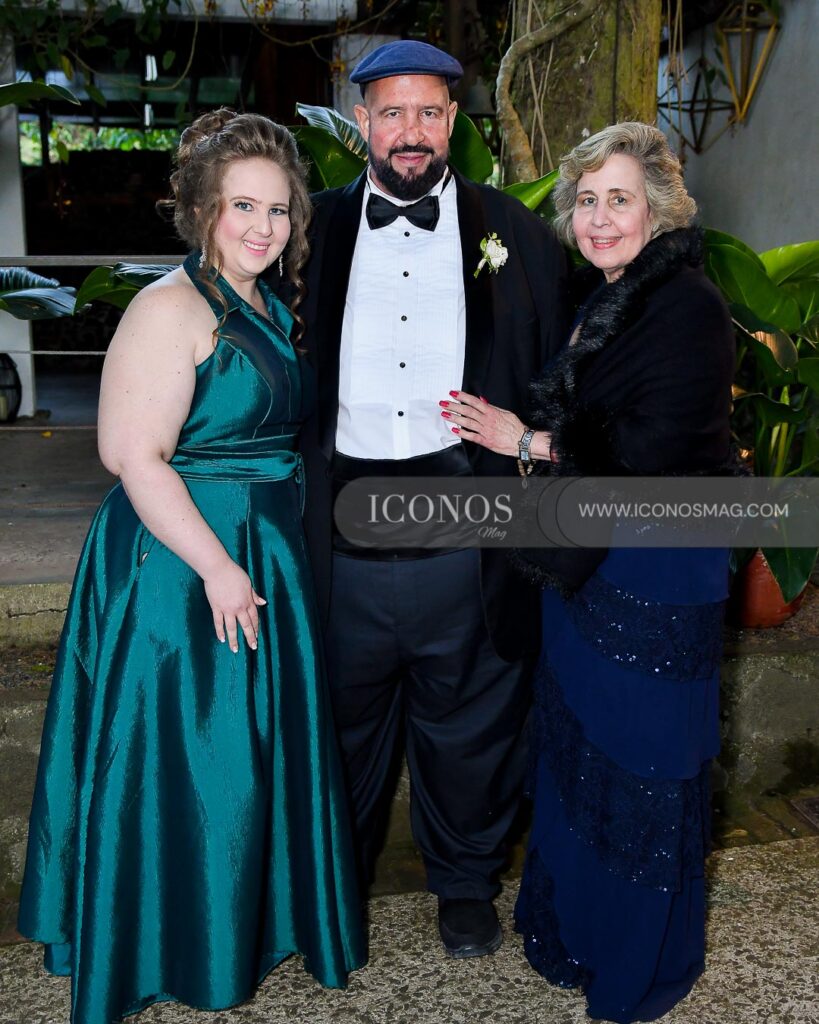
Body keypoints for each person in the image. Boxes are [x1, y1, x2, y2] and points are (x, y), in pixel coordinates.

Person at [17, 109, 365, 1024]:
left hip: (259, 553)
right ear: (203, 209)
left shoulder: (264, 302)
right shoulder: (168, 307)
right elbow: (132, 455)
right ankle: (170, 942)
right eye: (242, 206)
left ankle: (240, 924)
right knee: (191, 758)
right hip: (182, 565)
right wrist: (218, 568)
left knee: (244, 757)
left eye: (279, 209)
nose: (263, 226)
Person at [449, 122, 735, 1021]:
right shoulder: (598, 296)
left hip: (658, 565)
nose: (600, 217)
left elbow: (651, 448)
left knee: (643, 760)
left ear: (658, 210)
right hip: (585, 560)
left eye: (619, 199)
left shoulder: (686, 304)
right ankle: (576, 931)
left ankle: (635, 960)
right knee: (580, 750)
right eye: (586, 200)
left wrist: (525, 440)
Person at [295, 40, 567, 958]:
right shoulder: (308, 230)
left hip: (466, 523)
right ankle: (336, 890)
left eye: (428, 112)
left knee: (472, 724)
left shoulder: (516, 233)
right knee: (340, 727)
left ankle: (465, 885)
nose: (409, 132)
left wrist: (538, 445)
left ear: (453, 120)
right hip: (340, 529)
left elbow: (564, 367)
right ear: (361, 121)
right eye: (391, 113)